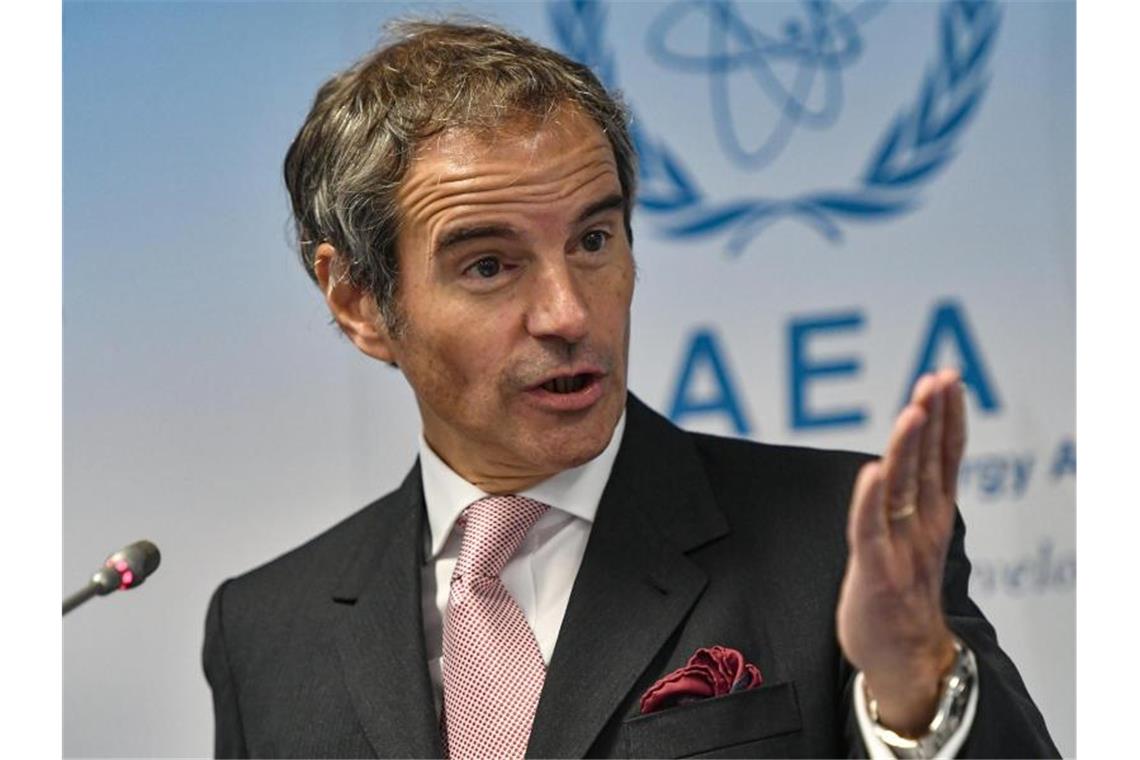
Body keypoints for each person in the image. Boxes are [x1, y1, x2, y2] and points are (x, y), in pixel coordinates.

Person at [202, 20, 1058, 759]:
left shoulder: (831, 540)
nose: (569, 311)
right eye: (490, 265)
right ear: (359, 303)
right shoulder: (266, 628)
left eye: (594, 239)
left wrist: (916, 689)